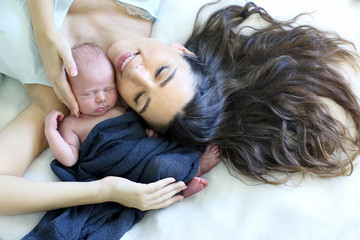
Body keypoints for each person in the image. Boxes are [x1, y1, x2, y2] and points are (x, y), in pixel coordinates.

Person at [0, 0, 359, 215]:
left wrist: (106, 190)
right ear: (181, 50)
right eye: (163, 71)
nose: (136, 72)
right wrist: (44, 29)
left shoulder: (64, 100)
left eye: (140, 97)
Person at [45, 42, 220, 197]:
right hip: (120, 174)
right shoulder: (71, 124)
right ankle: (193, 173)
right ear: (69, 91)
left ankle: (191, 170)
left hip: (144, 154)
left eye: (108, 89)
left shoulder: (120, 107)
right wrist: (51, 132)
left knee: (165, 161)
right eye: (89, 94)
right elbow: (70, 159)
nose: (101, 98)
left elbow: (139, 126)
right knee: (161, 168)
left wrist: (148, 133)